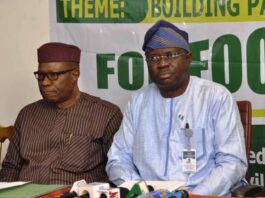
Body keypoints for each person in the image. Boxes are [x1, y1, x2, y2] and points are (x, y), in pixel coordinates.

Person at [106, 20, 247, 196]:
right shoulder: (138, 101)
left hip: (202, 195)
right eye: (154, 58)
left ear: (188, 58)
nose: (162, 63)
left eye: (171, 55)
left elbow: (232, 162)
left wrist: (192, 196)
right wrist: (140, 191)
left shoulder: (215, 97)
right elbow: (118, 159)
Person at [0, 42, 123, 184]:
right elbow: (11, 168)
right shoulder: (27, 114)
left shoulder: (105, 114)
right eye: (40, 75)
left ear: (75, 74)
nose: (45, 82)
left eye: (53, 75)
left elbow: (118, 170)